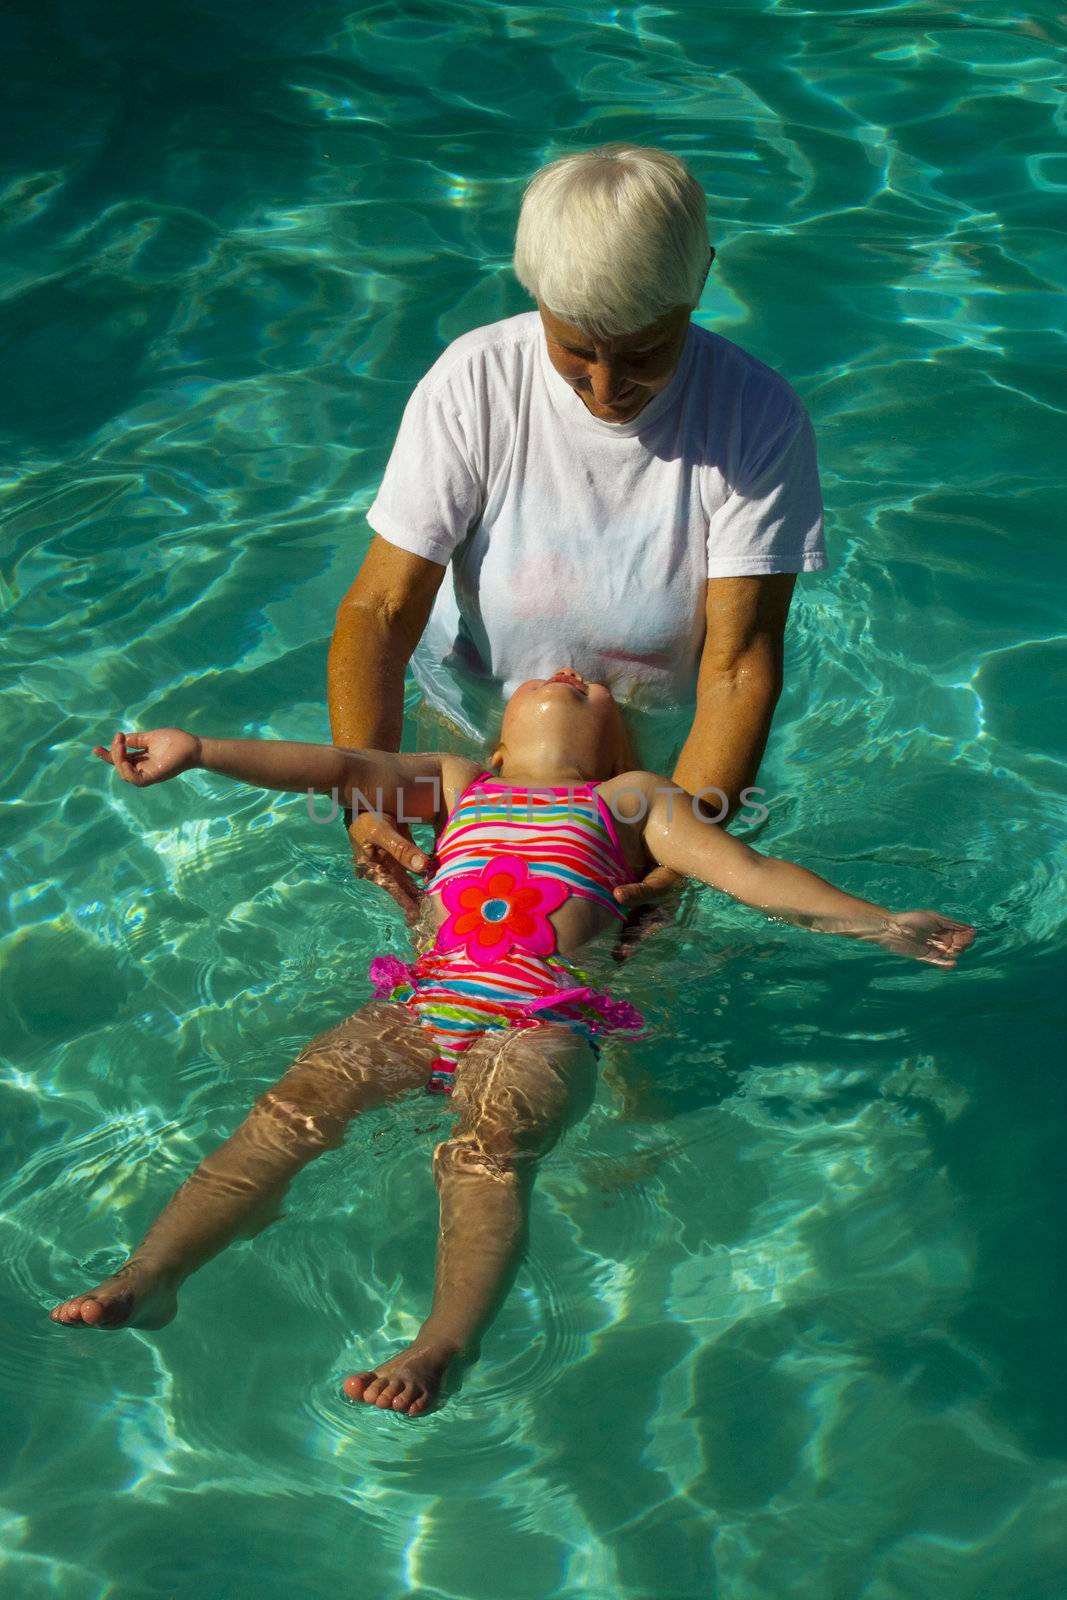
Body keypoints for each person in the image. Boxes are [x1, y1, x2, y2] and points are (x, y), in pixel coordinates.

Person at [50, 671, 975, 1417]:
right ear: (495, 748)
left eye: (593, 689)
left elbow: (749, 873)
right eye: (558, 675)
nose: (574, 671)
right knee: (284, 1119)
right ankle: (156, 1273)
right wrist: (202, 751)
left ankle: (444, 1341)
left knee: (487, 1159)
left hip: (538, 1019)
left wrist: (878, 923)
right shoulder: (458, 784)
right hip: (416, 1006)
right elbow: (334, 767)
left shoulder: (632, 799)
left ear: (614, 747)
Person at [328, 143, 828, 925]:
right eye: (574, 349)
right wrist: (370, 799)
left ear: (697, 284)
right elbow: (382, 610)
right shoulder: (476, 382)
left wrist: (677, 849)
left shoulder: (755, 418)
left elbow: (737, 664)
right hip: (470, 736)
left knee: (612, 989)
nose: (604, 386)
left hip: (651, 769)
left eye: (640, 353)